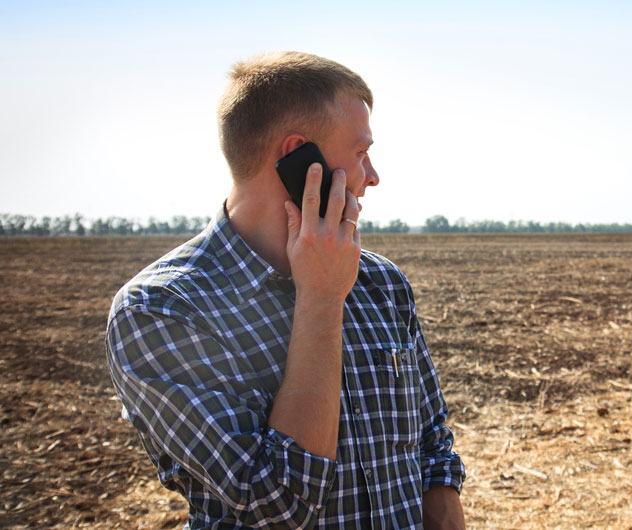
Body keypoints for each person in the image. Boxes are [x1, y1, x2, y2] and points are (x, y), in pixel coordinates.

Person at [105, 51, 465, 529]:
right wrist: (320, 297)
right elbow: (274, 504)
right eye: (360, 153)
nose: (372, 175)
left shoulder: (381, 282)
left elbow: (432, 449)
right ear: (299, 158)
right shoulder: (160, 311)